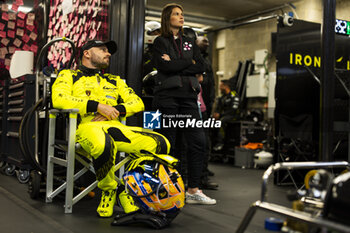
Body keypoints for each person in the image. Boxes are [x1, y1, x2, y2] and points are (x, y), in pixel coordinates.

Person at [51, 40, 178, 218]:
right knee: (105, 143)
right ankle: (110, 190)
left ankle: (127, 189)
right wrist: (98, 106)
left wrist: (115, 110)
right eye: (102, 49)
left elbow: (137, 103)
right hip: (87, 127)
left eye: (108, 51)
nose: (108, 53)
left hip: (115, 126)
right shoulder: (68, 75)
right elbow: (59, 100)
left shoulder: (114, 80)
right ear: (86, 53)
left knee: (160, 143)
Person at [152, 3, 216, 205]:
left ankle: (193, 190)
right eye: (176, 14)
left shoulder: (190, 41)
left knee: (198, 142)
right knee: (170, 144)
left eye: (182, 14)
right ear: (167, 18)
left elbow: (203, 66)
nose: (181, 17)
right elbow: (163, 66)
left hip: (189, 97)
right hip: (168, 97)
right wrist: (189, 64)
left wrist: (177, 63)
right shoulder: (160, 42)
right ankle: (169, 188)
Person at [196, 36, 218, 189]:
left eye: (207, 40)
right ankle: (197, 178)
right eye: (202, 40)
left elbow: (211, 84)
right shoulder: (194, 58)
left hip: (205, 107)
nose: (206, 41)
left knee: (205, 142)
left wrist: (211, 103)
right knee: (197, 143)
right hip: (194, 106)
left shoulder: (207, 60)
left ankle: (202, 174)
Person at [212, 79, 240, 151]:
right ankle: (212, 143)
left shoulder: (234, 95)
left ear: (226, 86)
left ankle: (221, 143)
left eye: (221, 86)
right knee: (211, 121)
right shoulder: (222, 98)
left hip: (233, 116)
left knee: (221, 121)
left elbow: (234, 109)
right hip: (224, 116)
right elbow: (218, 108)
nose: (219, 88)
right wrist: (216, 113)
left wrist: (220, 115)